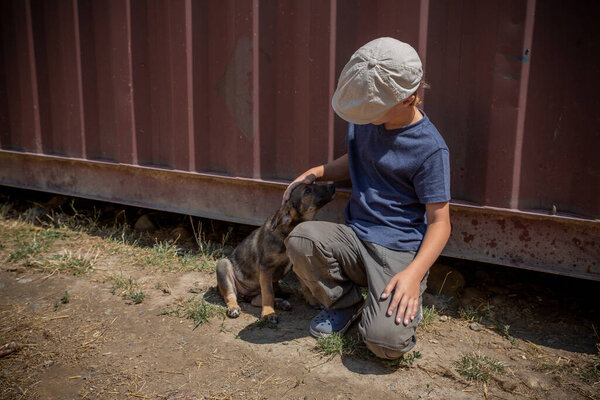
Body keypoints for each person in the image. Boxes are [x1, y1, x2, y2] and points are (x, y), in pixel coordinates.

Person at [282, 37, 451, 359]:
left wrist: (413, 275)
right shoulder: (368, 120)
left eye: (373, 110)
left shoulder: (430, 149)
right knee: (301, 239)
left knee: (385, 345)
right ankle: (345, 305)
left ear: (408, 99)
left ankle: (388, 309)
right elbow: (358, 158)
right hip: (356, 238)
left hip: (397, 252)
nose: (364, 115)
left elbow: (440, 223)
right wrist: (318, 171)